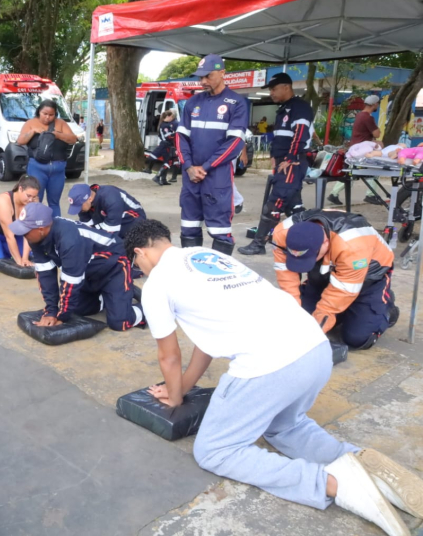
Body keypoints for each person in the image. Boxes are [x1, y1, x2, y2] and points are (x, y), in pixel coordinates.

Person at [125, 219, 421, 536]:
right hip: (315, 349)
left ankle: (338, 485)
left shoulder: (157, 284)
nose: (141, 270)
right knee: (285, 426)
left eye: (136, 264)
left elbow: (169, 356)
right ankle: (357, 460)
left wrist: (174, 396)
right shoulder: (204, 255)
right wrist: (183, 388)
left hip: (271, 365)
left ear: (140, 252)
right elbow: (205, 342)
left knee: (215, 451)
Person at [271, 209, 399, 349]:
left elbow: (338, 296)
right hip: (326, 270)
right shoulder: (282, 233)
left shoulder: (353, 246)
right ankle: (344, 311)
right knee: (301, 320)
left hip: (368, 277)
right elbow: (286, 275)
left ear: (325, 242)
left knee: (357, 339)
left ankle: (385, 305)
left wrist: (313, 336)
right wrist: (293, 309)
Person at [10, 202, 144, 332]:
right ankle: (114, 295)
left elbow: (70, 282)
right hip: (88, 271)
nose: (23, 235)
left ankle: (147, 306)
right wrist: (51, 310)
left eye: (26, 231)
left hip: (114, 267)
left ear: (41, 229)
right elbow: (45, 275)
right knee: (75, 308)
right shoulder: (35, 239)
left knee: (119, 322)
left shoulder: (70, 240)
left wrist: (61, 317)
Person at [175, 54, 248, 255]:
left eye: (208, 76)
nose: (203, 81)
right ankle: (192, 269)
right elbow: (181, 138)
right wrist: (189, 166)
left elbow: (234, 143)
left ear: (222, 73)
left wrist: (206, 167)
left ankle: (219, 272)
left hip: (217, 177)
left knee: (220, 231)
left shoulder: (236, 103)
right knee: (189, 227)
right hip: (191, 176)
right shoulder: (192, 103)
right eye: (201, 77)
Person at [239, 73, 314, 256]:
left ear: (286, 87)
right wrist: (274, 156)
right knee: (294, 207)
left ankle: (259, 244)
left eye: (274, 89)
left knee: (274, 204)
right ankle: (310, 242)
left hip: (292, 163)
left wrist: (290, 158)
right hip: (284, 162)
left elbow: (300, 133)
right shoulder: (284, 108)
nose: (271, 93)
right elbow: (281, 137)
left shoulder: (299, 107)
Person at [16, 100, 79, 217]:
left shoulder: (61, 123)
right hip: (37, 167)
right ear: (39, 111)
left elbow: (73, 139)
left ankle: (56, 225)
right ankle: (34, 225)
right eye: (45, 114)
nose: (47, 117)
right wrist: (33, 131)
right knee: (35, 200)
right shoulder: (30, 123)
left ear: (55, 114)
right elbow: (20, 141)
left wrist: (57, 134)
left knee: (54, 202)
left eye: (51, 115)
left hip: (58, 168)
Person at [328, 95, 383, 206]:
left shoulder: (359, 115)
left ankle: (334, 194)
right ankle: (370, 195)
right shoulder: (368, 118)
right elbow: (377, 134)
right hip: (363, 150)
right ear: (374, 104)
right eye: (377, 104)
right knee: (374, 169)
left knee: (351, 172)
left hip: (355, 148)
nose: (377, 106)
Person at [66, 183, 146, 238]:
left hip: (132, 221)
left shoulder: (111, 199)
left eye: (79, 206)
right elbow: (86, 228)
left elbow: (110, 233)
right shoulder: (83, 204)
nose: (79, 210)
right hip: (110, 221)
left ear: (89, 199)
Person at [143, 109, 180, 186]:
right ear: (168, 117)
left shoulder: (165, 124)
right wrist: (177, 134)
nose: (172, 118)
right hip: (165, 145)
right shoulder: (165, 125)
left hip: (167, 145)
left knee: (168, 161)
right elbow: (168, 137)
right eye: (171, 117)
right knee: (168, 162)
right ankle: (155, 175)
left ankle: (163, 179)